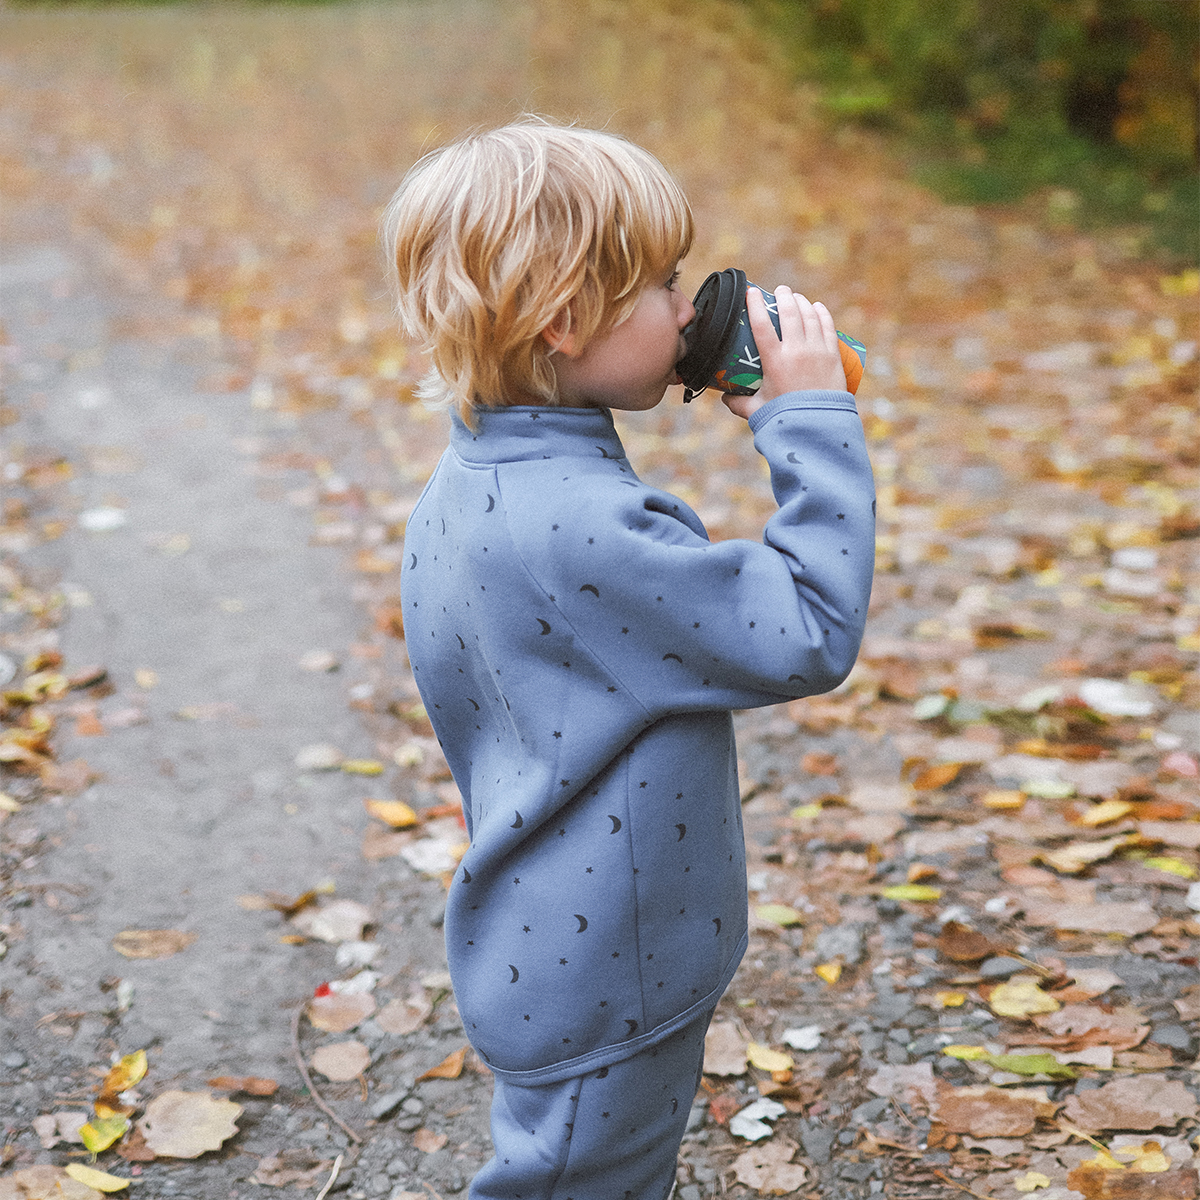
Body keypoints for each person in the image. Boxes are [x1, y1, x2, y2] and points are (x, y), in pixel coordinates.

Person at [384, 118, 874, 1200]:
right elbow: (807, 627)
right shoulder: (580, 530)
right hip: (607, 963)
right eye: (661, 282)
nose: (686, 304)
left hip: (555, 934)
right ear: (564, 320)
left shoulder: (476, 485)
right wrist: (810, 424)